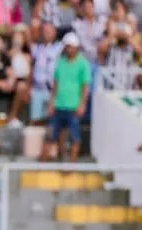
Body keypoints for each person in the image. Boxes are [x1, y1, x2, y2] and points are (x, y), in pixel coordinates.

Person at [44, 32, 90, 161]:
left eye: (70, 46)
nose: (68, 49)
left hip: (73, 105)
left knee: (75, 137)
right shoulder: (61, 62)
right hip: (60, 104)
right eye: (67, 46)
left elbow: (85, 87)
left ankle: (72, 165)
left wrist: (82, 104)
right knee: (54, 135)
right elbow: (56, 85)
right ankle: (59, 160)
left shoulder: (83, 64)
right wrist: (51, 103)